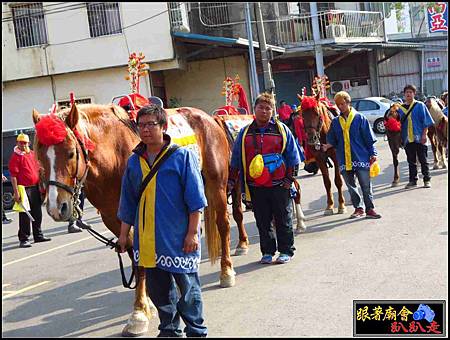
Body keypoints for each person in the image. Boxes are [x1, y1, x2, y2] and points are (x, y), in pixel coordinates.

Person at [117, 104, 208, 337]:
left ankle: (196, 330)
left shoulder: (182, 156)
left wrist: (192, 233)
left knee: (187, 288)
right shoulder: (134, 162)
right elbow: (127, 201)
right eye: (141, 125)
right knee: (159, 290)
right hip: (147, 239)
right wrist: (123, 234)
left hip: (178, 237)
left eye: (151, 124)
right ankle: (169, 330)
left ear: (163, 127)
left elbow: (196, 199)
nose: (145, 130)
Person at [229, 93, 300, 264]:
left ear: (272, 111)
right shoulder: (245, 133)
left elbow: (293, 157)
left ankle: (286, 251)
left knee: (283, 218)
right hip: (256, 186)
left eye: (268, 108)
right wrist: (231, 181)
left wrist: (289, 180)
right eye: (261, 107)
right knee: (262, 220)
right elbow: (236, 159)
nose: (264, 111)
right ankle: (267, 251)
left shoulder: (282, 131)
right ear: (255, 109)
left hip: (280, 184)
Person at [322, 91, 381, 219]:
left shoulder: (360, 118)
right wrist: (327, 146)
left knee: (366, 185)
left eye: (342, 104)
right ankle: (358, 208)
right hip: (344, 159)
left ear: (348, 103)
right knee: (351, 186)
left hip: (361, 157)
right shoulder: (336, 122)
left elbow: (369, 138)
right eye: (338, 104)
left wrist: (373, 153)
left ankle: (370, 209)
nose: (340, 107)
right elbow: (332, 140)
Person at [9, 133, 51, 247]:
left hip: (35, 187)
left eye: (25, 143)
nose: (23, 145)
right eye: (21, 142)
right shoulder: (15, 156)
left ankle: (38, 235)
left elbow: (38, 168)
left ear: (28, 143)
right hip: (23, 189)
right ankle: (24, 239)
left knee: (37, 213)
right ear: (17, 143)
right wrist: (16, 192)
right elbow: (13, 176)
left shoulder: (32, 154)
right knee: (25, 215)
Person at [397, 85, 434, 189]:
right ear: (404, 94)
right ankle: (413, 180)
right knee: (411, 161)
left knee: (423, 159)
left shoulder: (420, 105)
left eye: (410, 92)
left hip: (419, 137)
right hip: (408, 139)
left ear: (414, 94)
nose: (408, 94)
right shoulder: (400, 109)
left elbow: (426, 121)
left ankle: (427, 179)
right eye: (406, 92)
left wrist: (424, 135)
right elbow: (398, 124)